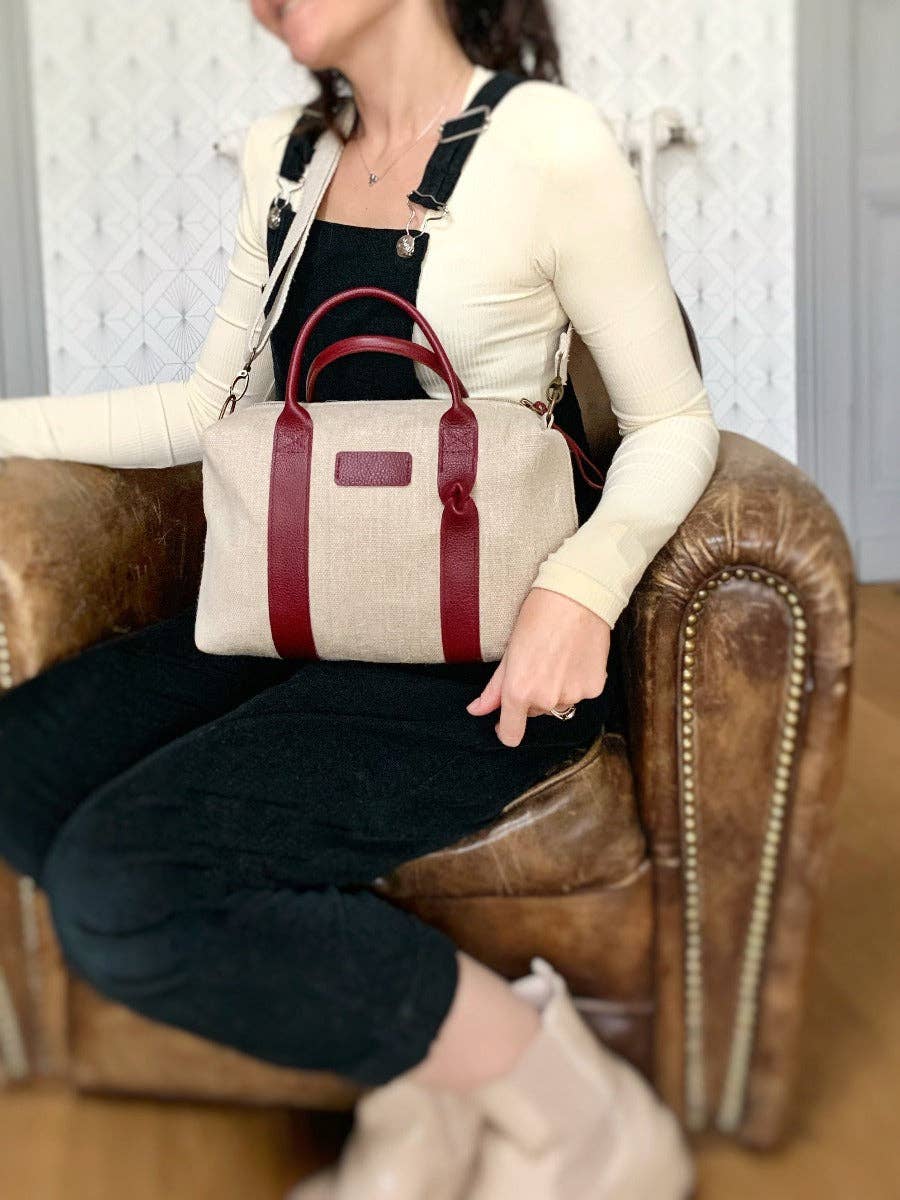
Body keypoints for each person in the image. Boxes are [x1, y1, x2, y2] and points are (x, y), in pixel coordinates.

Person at [0, 1, 719, 1197]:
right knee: (21, 775)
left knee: (122, 888)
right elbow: (207, 409)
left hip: (474, 648)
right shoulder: (284, 154)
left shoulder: (547, 141)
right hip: (294, 613)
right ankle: (427, 1081)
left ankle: (583, 1116)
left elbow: (673, 421)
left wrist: (581, 591)